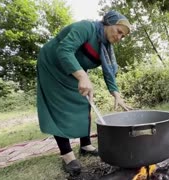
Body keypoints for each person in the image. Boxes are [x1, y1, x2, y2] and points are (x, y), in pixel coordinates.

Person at [36, 10, 132, 175]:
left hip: (73, 70)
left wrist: (115, 93)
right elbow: (64, 50)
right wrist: (82, 75)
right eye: (119, 31)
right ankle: (67, 155)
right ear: (109, 23)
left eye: (122, 36)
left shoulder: (105, 46)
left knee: (84, 102)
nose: (119, 38)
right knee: (60, 108)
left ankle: (85, 145)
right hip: (52, 65)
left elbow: (108, 72)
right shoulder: (86, 28)